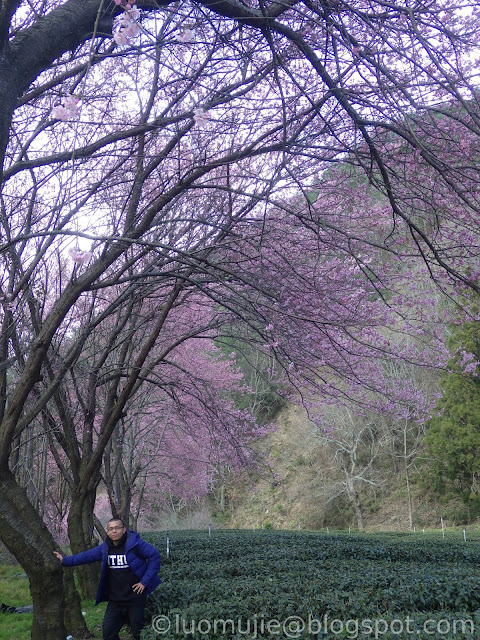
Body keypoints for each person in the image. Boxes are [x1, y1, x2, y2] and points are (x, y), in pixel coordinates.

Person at [54, 517, 161, 640]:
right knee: (108, 633)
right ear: (107, 532)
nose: (114, 531)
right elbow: (86, 556)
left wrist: (144, 582)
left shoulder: (134, 544)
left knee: (139, 633)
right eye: (110, 529)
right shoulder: (105, 548)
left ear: (124, 529)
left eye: (117, 528)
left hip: (135, 598)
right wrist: (65, 560)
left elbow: (155, 556)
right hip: (115, 600)